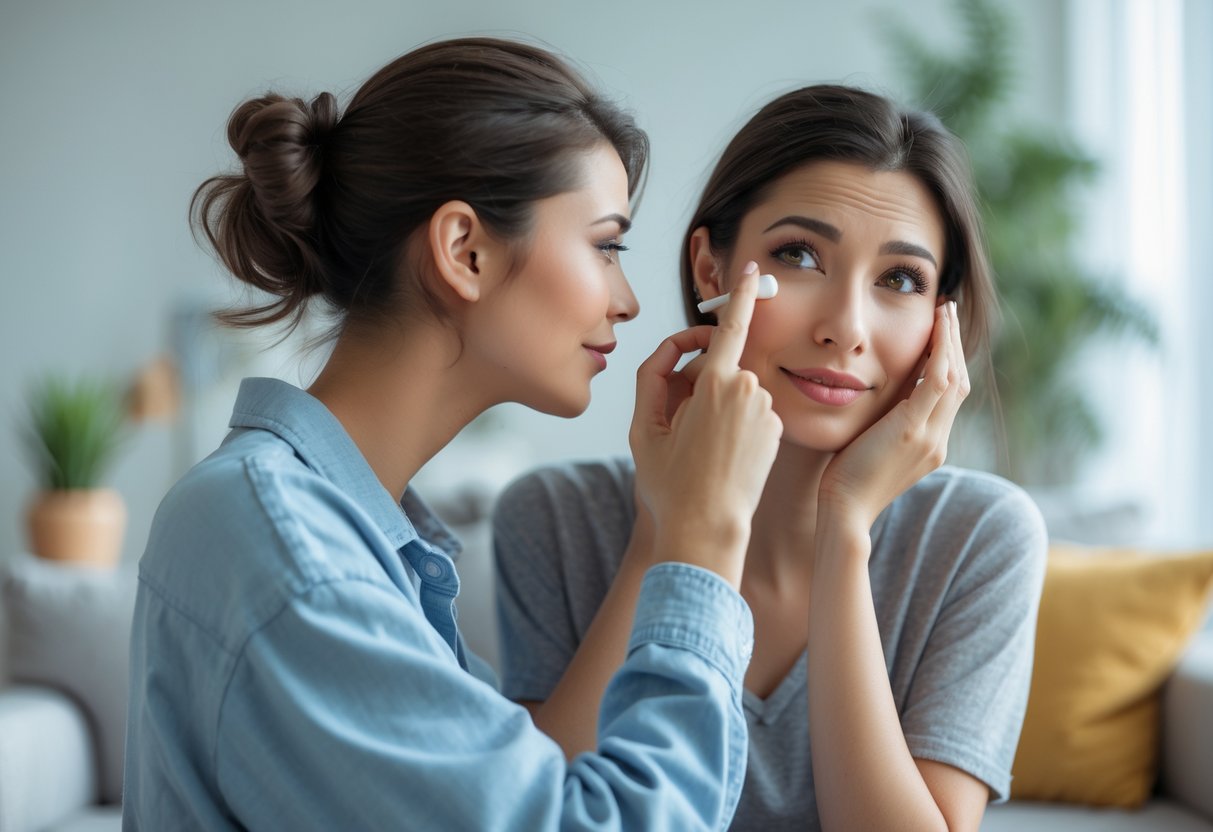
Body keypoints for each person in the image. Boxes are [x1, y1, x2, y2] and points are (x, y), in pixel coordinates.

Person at [123, 37, 784, 830]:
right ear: (464, 250)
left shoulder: (342, 534)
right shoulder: (290, 549)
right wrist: (708, 536)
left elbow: (531, 786)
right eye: (606, 246)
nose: (628, 301)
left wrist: (660, 523)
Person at [494, 84, 1048, 831]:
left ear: (937, 326)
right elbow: (543, 817)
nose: (846, 327)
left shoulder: (979, 538)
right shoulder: (554, 520)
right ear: (710, 271)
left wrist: (845, 528)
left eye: (900, 279)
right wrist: (663, 530)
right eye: (798, 255)